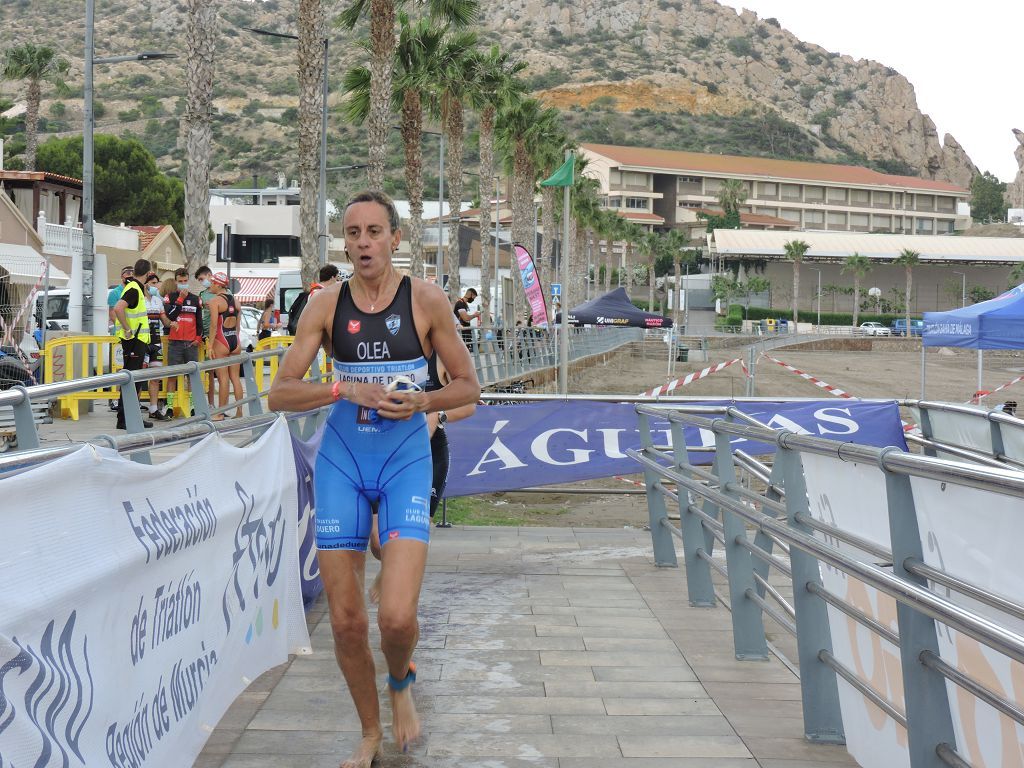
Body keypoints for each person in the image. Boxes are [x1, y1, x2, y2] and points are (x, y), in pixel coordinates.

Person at [267, 190, 479, 765]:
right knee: (345, 621)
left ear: (395, 239)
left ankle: (401, 682)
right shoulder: (325, 306)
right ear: (345, 240)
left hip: (405, 459)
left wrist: (421, 403)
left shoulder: (427, 301)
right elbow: (279, 393)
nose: (363, 243)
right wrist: (341, 387)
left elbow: (469, 387)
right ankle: (369, 734)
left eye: (374, 232)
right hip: (342, 461)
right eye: (353, 233)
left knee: (396, 616)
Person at [367, 353, 475, 604]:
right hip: (382, 453)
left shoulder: (441, 354)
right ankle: (390, 568)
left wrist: (439, 416)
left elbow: (470, 404)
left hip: (428, 454)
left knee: (411, 537)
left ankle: (400, 600)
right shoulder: (390, 348)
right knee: (377, 541)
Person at [112, 259, 154, 430]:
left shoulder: (135, 287)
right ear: (148, 273)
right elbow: (118, 308)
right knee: (132, 381)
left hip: (136, 340)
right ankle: (127, 418)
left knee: (131, 380)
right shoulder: (134, 288)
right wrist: (128, 329)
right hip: (134, 341)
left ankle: (125, 418)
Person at [165, 267, 204, 417]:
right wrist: (180, 299)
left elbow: (199, 321)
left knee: (192, 376)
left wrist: (198, 338)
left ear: (188, 281)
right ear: (175, 281)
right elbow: (171, 316)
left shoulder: (196, 299)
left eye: (185, 281)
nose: (183, 283)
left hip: (190, 343)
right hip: (174, 342)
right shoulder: (170, 297)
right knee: (172, 375)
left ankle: (194, 407)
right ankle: (169, 407)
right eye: (180, 281)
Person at [206, 271, 244, 420]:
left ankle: (220, 413)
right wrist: (237, 339)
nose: (210, 286)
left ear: (217, 284)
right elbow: (238, 326)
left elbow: (214, 325)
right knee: (235, 378)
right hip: (235, 341)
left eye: (211, 283)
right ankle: (239, 412)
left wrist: (210, 345)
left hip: (221, 341)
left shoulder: (215, 301)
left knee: (222, 378)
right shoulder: (236, 301)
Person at [143, 272, 172, 421]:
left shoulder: (157, 301)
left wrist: (172, 323)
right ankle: (131, 409)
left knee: (155, 377)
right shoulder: (139, 299)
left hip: (156, 342)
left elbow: (164, 320)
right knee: (139, 378)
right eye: (153, 283)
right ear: (146, 283)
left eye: (157, 283)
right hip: (142, 342)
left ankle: (153, 409)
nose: (156, 286)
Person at [288, 263, 341, 335]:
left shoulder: (317, 291)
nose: (338, 281)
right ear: (332, 278)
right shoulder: (319, 293)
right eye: (337, 277)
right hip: (313, 333)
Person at [196, 265, 216, 406]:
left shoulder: (224, 293)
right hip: (204, 335)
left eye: (202, 279)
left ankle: (215, 404)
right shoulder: (202, 295)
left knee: (216, 372)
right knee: (206, 371)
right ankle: (208, 403)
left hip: (218, 336)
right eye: (199, 280)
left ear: (209, 275)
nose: (202, 282)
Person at [107, 266, 133, 334]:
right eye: (128, 273)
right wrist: (125, 328)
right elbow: (112, 314)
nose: (130, 275)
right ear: (122, 277)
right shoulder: (114, 293)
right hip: (120, 333)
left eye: (132, 273)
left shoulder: (135, 291)